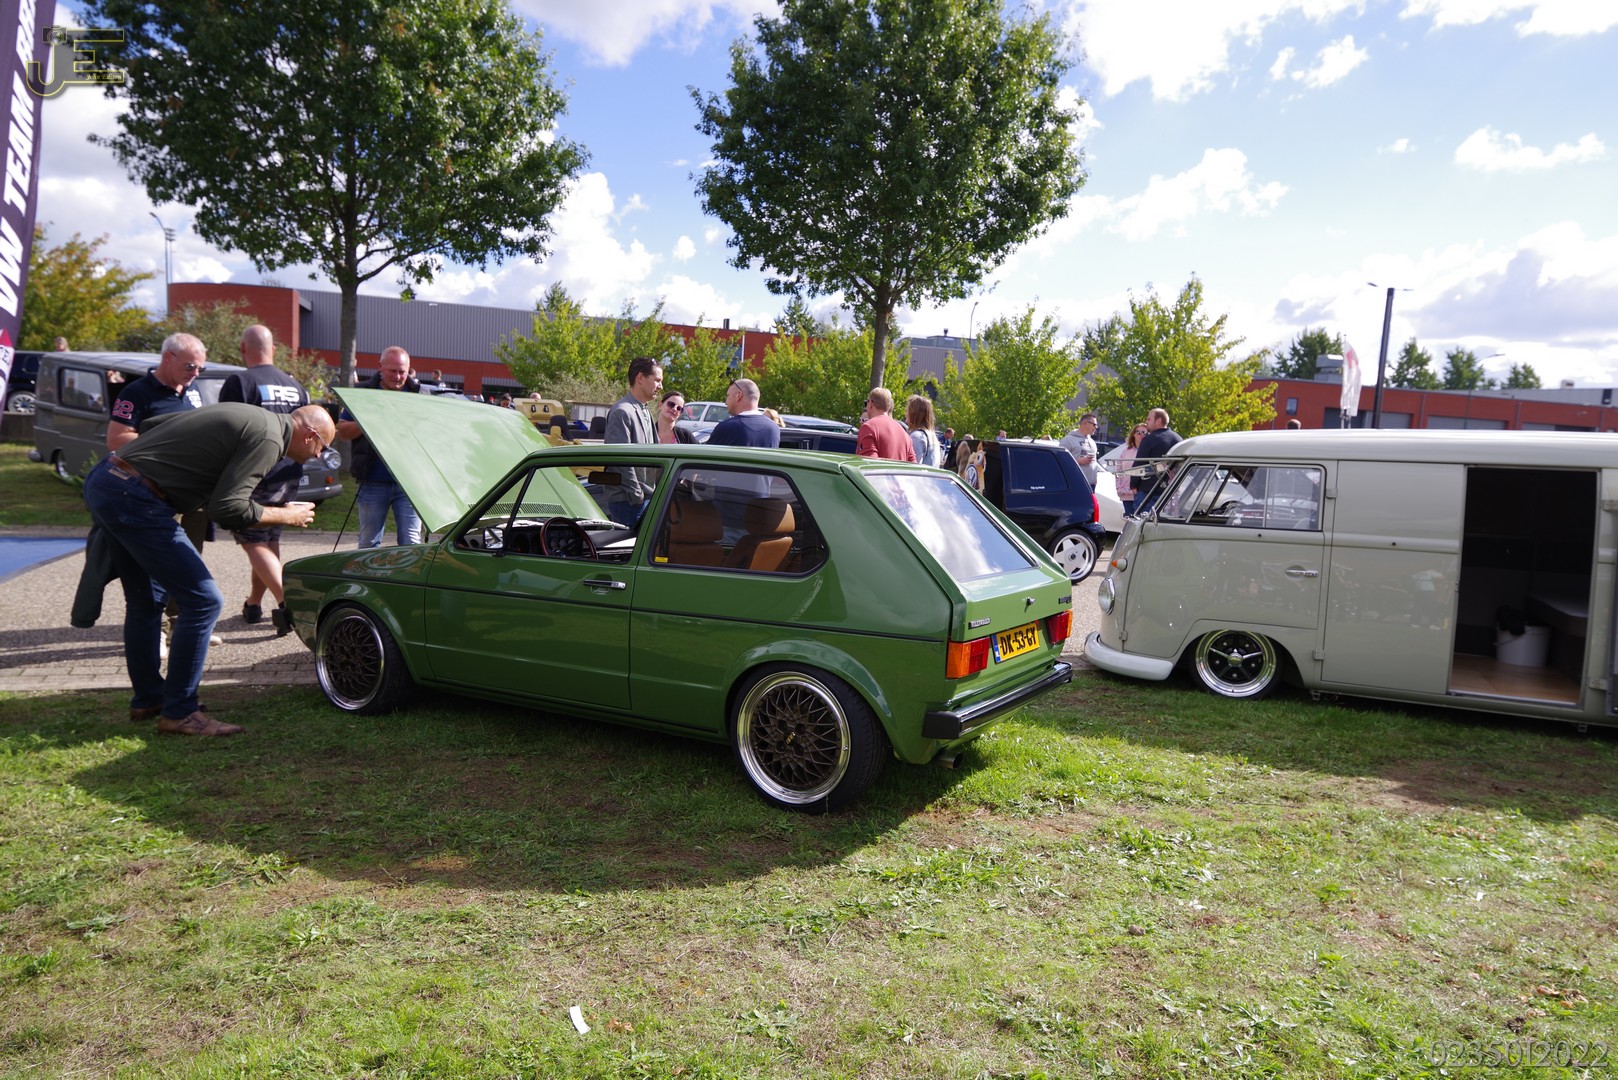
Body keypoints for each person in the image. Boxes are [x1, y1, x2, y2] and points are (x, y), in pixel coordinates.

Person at [83, 402, 335, 736]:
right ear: (309, 434)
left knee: (146, 601)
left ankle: (150, 699)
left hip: (111, 480)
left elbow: (152, 424)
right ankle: (179, 712)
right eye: (322, 447)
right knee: (204, 601)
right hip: (136, 497)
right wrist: (286, 515)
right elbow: (227, 509)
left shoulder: (256, 418)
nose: (319, 456)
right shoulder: (271, 438)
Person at [107, 333, 219, 652]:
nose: (195, 373)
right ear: (168, 357)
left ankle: (184, 626)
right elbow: (116, 440)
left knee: (189, 561)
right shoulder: (136, 392)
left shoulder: (192, 390)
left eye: (200, 368)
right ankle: (157, 629)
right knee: (157, 564)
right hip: (156, 494)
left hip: (193, 492)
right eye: (190, 366)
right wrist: (171, 443)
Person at [219, 325, 309, 631]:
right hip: (288, 473)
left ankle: (288, 605)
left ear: (243, 348)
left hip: (254, 473)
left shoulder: (240, 382)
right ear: (274, 349)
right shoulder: (295, 386)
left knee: (253, 541)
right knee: (268, 540)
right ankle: (254, 604)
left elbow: (228, 430)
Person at [336, 346, 424, 548]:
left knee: (411, 544)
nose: (398, 376)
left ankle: (407, 572)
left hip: (411, 483)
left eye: (402, 371)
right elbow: (343, 431)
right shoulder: (363, 393)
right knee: (368, 543)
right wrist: (371, 420)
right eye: (392, 371)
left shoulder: (420, 395)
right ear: (380, 367)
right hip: (372, 481)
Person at [603, 356, 662, 525]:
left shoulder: (645, 411)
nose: (660, 386)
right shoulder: (622, 412)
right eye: (657, 380)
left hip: (643, 498)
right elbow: (620, 460)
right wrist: (637, 494)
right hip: (628, 501)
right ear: (640, 378)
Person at [1133, 408, 1183, 513]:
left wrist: (1133, 485)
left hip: (1148, 492)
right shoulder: (1178, 440)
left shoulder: (1149, 439)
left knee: (1144, 522)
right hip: (1170, 492)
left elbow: (1139, 464)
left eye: (1149, 419)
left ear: (1158, 421)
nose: (1146, 422)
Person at [707, 378, 781, 448]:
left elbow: (707, 455)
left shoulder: (726, 428)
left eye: (728, 396)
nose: (726, 402)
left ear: (738, 395)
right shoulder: (773, 428)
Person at [857, 387, 916, 461]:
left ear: (870, 403)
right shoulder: (904, 433)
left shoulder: (868, 427)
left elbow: (870, 463)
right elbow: (913, 464)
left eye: (867, 402)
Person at [1116, 422, 1146, 517]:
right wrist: (1118, 487)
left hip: (1142, 493)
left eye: (1144, 432)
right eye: (1138, 432)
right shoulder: (1126, 452)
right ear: (1133, 434)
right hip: (1126, 492)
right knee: (1129, 519)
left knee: (1140, 519)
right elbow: (1118, 470)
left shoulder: (1149, 451)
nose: (1141, 435)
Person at [1060, 412, 1099, 485]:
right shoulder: (1068, 440)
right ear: (1086, 423)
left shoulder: (1092, 442)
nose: (1096, 427)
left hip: (1091, 484)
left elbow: (1094, 462)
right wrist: (1077, 461)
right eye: (1094, 424)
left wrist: (1095, 479)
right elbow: (1060, 461)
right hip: (1074, 482)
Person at [906, 395, 943, 467]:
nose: (906, 413)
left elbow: (913, 467)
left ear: (913, 413)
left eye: (907, 410)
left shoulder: (917, 437)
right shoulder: (932, 436)